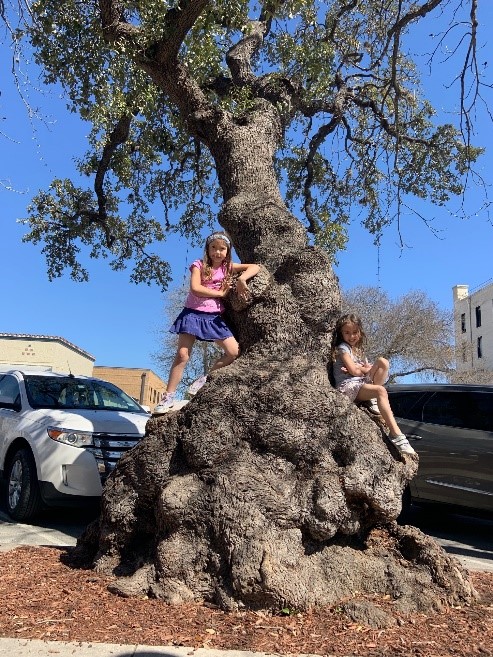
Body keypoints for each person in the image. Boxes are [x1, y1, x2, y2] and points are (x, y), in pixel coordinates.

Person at [154, 232, 260, 414]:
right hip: (192, 314)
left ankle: (204, 379)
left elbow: (255, 267)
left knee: (233, 352)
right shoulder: (199, 265)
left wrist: (242, 279)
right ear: (208, 249)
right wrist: (220, 294)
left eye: (222, 249)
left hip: (213, 317)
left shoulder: (228, 269)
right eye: (213, 248)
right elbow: (195, 288)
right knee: (182, 355)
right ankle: (168, 397)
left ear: (227, 251)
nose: (217, 252)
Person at [331, 313, 416, 455]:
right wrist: (360, 369)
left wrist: (360, 369)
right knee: (381, 391)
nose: (351, 336)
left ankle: (374, 398)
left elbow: (358, 370)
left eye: (354, 332)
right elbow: (353, 371)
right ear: (341, 333)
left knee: (383, 362)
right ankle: (397, 436)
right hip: (347, 386)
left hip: (359, 383)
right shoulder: (343, 348)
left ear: (360, 332)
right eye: (347, 333)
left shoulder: (358, 351)